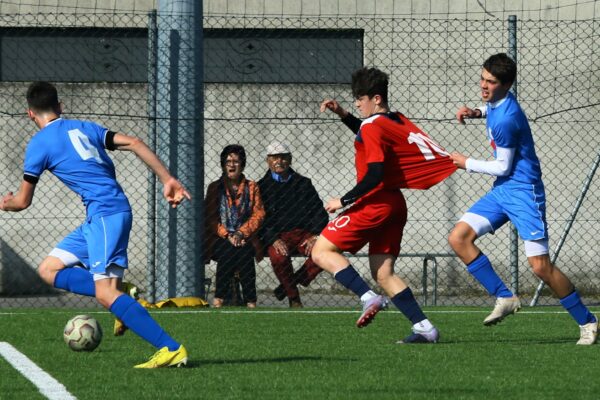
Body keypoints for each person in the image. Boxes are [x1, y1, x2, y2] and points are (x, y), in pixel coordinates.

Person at [0, 81, 191, 368]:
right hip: (101, 216)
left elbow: (23, 201)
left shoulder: (39, 144)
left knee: (104, 294)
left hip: (106, 215)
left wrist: (6, 202)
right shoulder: (85, 127)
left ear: (30, 114)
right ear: (60, 107)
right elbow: (135, 143)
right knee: (49, 270)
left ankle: (170, 347)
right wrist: (167, 179)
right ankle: (121, 293)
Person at [448, 53, 598, 344]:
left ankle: (588, 321)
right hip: (503, 190)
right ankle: (505, 297)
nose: (483, 85)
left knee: (541, 267)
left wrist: (465, 162)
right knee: (458, 238)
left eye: (490, 82)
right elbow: (490, 108)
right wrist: (476, 112)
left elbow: (503, 165)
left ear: (506, 84)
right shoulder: (498, 102)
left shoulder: (507, 119)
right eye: (482, 78)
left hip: (524, 192)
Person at [316, 67, 456, 343]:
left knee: (321, 250)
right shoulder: (395, 119)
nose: (357, 103)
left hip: (375, 204)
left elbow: (376, 172)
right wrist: (344, 115)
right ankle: (425, 328)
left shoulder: (372, 126)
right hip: (394, 205)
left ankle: (369, 298)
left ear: (376, 98)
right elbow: (367, 132)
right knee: (383, 272)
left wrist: (343, 200)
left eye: (360, 98)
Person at [257, 141, 329, 308]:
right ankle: (293, 297)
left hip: (304, 234)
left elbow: (319, 212)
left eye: (283, 157)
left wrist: (315, 236)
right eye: (274, 157)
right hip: (278, 236)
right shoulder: (261, 187)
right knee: (278, 257)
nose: (279, 161)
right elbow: (259, 218)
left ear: (290, 159)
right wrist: (272, 239)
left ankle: (289, 284)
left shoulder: (303, 183)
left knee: (325, 252)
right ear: (268, 160)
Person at [205, 144, 265, 308]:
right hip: (220, 237)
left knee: (245, 253)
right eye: (228, 161)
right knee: (227, 251)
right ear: (223, 165)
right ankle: (219, 299)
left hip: (245, 238)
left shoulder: (252, 187)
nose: (232, 165)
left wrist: (240, 233)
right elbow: (211, 218)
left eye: (236, 161)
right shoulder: (215, 188)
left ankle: (250, 301)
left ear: (242, 164)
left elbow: (258, 214)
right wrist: (228, 235)